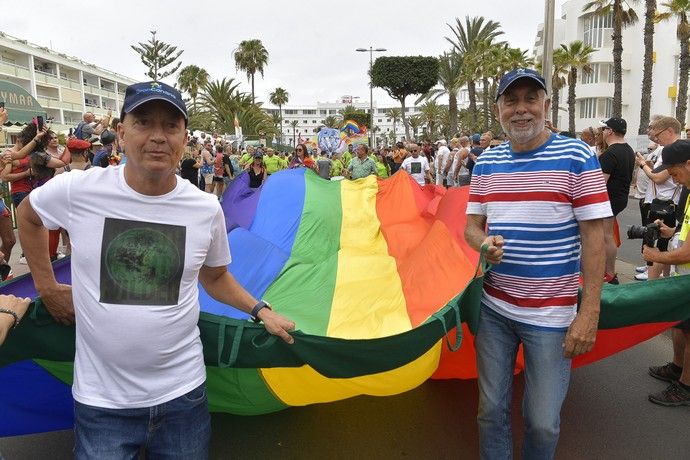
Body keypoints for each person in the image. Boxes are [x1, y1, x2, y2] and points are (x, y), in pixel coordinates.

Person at [17, 81, 295, 458]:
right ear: (121, 132)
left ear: (183, 137)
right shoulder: (77, 190)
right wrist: (47, 287)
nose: (158, 137)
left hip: (184, 398)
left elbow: (214, 278)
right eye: (144, 122)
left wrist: (260, 310)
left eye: (171, 126)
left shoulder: (204, 208)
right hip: (103, 404)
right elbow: (28, 217)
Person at [465, 68, 610, 459]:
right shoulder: (486, 163)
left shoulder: (576, 155)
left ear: (546, 105)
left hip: (552, 316)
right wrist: (484, 245)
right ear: (498, 109)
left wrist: (589, 311)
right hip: (494, 309)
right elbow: (471, 229)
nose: (521, 109)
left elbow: (597, 238)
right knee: (490, 412)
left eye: (531, 98)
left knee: (543, 422)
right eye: (511, 101)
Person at [641, 139, 690, 407]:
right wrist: (670, 232)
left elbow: (687, 253)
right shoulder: (689, 191)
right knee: (681, 324)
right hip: (684, 276)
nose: (675, 181)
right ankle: (677, 367)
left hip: (687, 271)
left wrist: (655, 256)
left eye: (674, 174)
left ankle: (685, 386)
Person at [635, 116, 682, 280]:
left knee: (661, 247)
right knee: (667, 243)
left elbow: (659, 177)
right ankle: (662, 280)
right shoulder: (667, 150)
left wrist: (642, 165)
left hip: (667, 204)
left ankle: (653, 281)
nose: (675, 179)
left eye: (674, 172)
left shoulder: (674, 150)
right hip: (668, 205)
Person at [599, 117, 635, 284]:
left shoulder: (610, 153)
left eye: (604, 129)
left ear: (610, 131)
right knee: (608, 235)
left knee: (606, 236)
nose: (603, 132)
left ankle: (610, 273)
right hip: (620, 198)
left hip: (609, 200)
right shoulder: (628, 150)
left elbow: (600, 183)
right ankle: (608, 271)